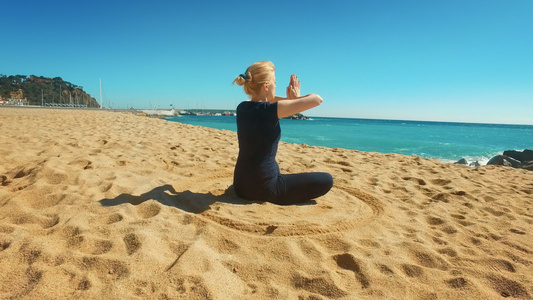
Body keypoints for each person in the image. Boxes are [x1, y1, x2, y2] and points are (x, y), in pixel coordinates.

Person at [232, 61, 333, 205]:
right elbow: (317, 100)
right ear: (266, 86)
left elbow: (270, 100)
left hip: (240, 186)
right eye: (274, 82)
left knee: (274, 165)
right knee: (327, 180)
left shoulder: (242, 107)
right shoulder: (269, 111)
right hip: (264, 187)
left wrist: (290, 100)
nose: (276, 85)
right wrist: (297, 97)